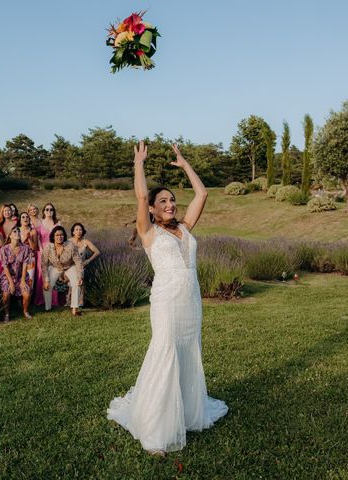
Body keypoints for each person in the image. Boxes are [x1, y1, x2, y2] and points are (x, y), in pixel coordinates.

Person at [107, 141, 228, 455]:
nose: (170, 204)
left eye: (172, 200)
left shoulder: (185, 228)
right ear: (152, 208)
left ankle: (185, 413)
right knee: (165, 352)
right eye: (163, 201)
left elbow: (202, 194)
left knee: (188, 352)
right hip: (166, 303)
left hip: (191, 302)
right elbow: (139, 195)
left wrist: (185, 163)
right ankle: (158, 426)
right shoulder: (148, 232)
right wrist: (139, 164)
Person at [41, 225, 83, 316]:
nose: (59, 237)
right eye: (57, 235)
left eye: (61, 235)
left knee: (77, 283)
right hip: (55, 267)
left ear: (64, 236)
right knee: (47, 285)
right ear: (53, 236)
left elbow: (78, 261)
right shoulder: (48, 247)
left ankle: (74, 308)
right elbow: (44, 264)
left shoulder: (70, 245)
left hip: (69, 266)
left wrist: (80, 276)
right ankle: (48, 308)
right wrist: (46, 280)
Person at [0, 227, 35, 321]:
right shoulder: (4, 249)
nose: (17, 232)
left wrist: (23, 280)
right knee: (6, 294)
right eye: (14, 231)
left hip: (21, 276)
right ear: (10, 235)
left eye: (18, 231)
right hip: (8, 277)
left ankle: (25, 311)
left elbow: (25, 265)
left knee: (27, 293)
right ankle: (6, 313)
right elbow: (5, 267)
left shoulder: (25, 248)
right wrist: (11, 283)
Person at [67, 222, 100, 307]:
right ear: (73, 232)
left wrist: (88, 261)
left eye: (80, 230)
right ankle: (70, 301)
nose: (79, 231)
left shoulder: (86, 241)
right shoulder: (68, 241)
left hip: (82, 267)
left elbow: (97, 252)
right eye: (76, 230)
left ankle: (79, 302)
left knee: (80, 279)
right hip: (70, 266)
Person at [34, 203, 60, 306]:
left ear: (54, 211)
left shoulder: (57, 223)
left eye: (51, 209)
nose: (49, 211)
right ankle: (42, 299)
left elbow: (61, 237)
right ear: (44, 211)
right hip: (42, 251)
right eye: (47, 209)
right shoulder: (40, 223)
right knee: (42, 275)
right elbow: (39, 239)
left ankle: (53, 300)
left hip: (55, 251)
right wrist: (41, 250)